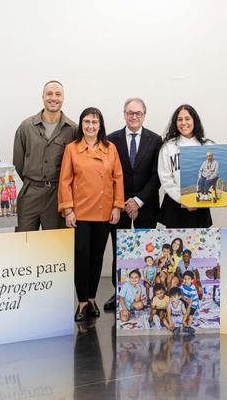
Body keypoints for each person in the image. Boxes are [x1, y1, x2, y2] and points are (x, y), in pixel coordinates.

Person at [58, 107, 125, 321]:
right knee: (81, 256)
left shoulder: (110, 148)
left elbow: (118, 178)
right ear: (81, 124)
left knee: (97, 257)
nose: (90, 126)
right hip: (80, 213)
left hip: (104, 212)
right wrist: (68, 210)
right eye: (86, 121)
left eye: (95, 122)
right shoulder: (72, 149)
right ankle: (82, 302)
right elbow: (65, 181)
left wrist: (117, 206)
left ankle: (93, 299)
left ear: (100, 126)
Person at [104, 97, 163, 311]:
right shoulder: (111, 140)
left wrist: (138, 200)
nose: (134, 116)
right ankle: (118, 291)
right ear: (124, 114)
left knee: (144, 251)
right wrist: (122, 202)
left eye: (138, 113)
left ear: (144, 115)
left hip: (146, 205)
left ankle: (144, 294)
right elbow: (108, 175)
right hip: (118, 206)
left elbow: (158, 175)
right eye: (130, 112)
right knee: (119, 249)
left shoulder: (156, 140)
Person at [13, 81, 78, 231]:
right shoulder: (26, 127)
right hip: (30, 193)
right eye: (49, 94)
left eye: (58, 94)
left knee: (55, 247)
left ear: (63, 98)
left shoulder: (73, 130)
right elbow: (18, 162)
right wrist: (34, 182)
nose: (53, 98)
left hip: (58, 196)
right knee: (24, 241)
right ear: (43, 97)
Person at [158, 104, 213, 229]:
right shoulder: (168, 147)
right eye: (179, 119)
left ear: (194, 120)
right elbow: (165, 178)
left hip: (201, 204)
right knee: (175, 247)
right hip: (175, 204)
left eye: (187, 118)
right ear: (175, 123)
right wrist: (183, 199)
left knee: (200, 246)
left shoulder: (207, 145)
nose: (184, 122)